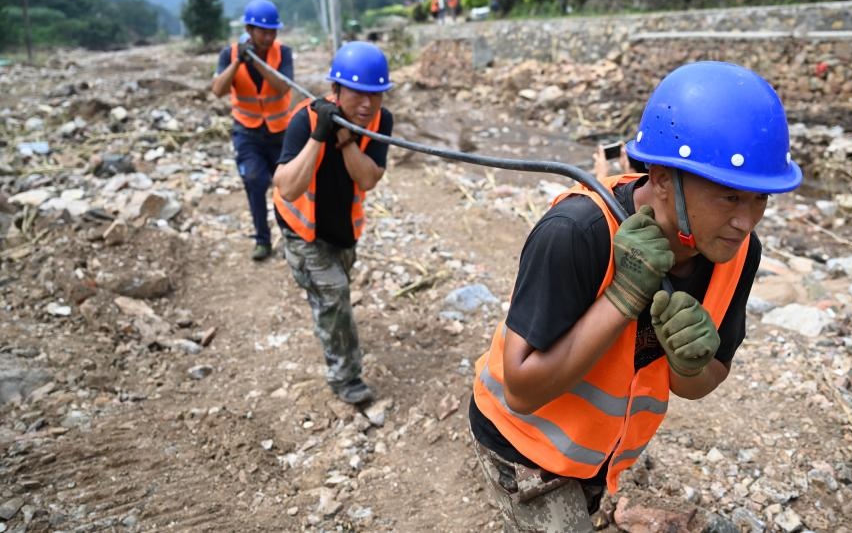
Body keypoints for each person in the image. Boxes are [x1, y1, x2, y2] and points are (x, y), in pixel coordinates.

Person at [469, 61, 802, 530]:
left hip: (603, 456)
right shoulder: (579, 233)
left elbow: (699, 382)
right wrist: (623, 298)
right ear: (663, 178)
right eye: (729, 197)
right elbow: (521, 391)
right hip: (522, 444)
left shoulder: (737, 252)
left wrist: (690, 361)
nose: (746, 221)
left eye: (760, 199)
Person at [272, 41, 394, 405]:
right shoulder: (304, 118)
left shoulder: (379, 122)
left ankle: (332, 330)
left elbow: (369, 178)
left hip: (343, 231)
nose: (367, 104)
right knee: (334, 296)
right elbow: (288, 187)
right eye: (358, 94)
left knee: (333, 296)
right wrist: (319, 135)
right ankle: (346, 379)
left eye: (376, 95)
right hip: (303, 230)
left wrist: (344, 141)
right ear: (336, 89)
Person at [211, 0, 293, 261]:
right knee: (255, 181)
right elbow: (218, 90)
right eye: (263, 31)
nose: (269, 36)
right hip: (247, 132)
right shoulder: (229, 54)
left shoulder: (284, 53)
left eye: (273, 31)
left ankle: (292, 237)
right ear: (249, 30)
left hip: (280, 132)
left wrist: (257, 62)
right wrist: (238, 64)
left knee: (287, 187)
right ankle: (262, 240)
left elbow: (283, 86)